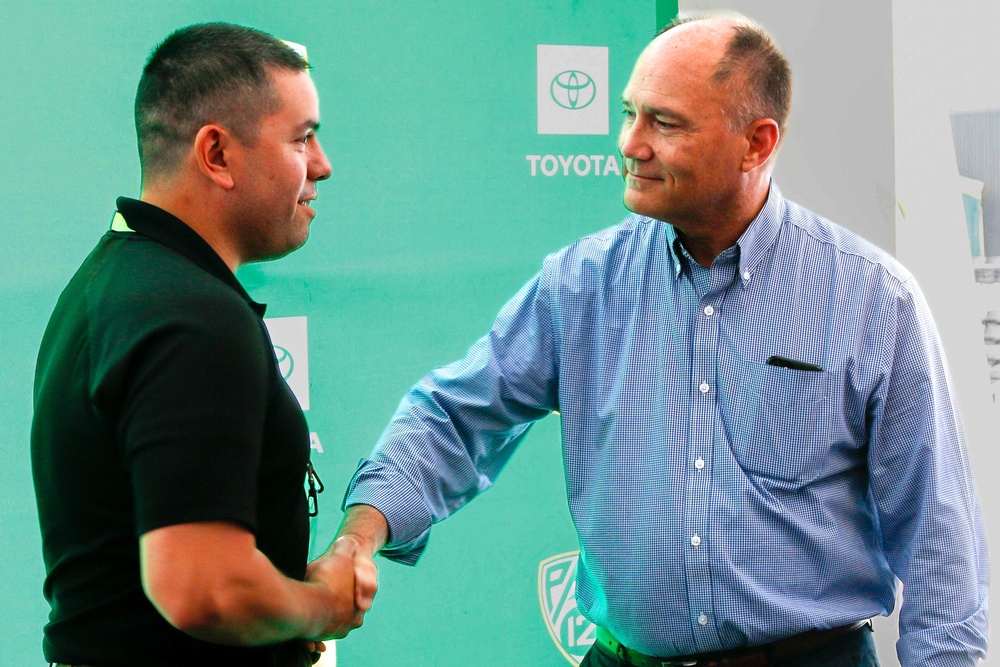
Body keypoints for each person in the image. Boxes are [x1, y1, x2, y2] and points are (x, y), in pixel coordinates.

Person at [335, 12, 989, 667]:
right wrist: (360, 535)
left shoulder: (876, 298)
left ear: (757, 143)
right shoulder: (581, 283)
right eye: (628, 113)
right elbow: (455, 417)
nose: (630, 143)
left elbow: (937, 534)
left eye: (665, 122)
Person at [31, 22, 375, 667]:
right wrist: (323, 605)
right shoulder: (191, 317)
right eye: (303, 139)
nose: (323, 165)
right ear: (216, 153)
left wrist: (270, 586)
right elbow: (204, 589)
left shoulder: (116, 281)